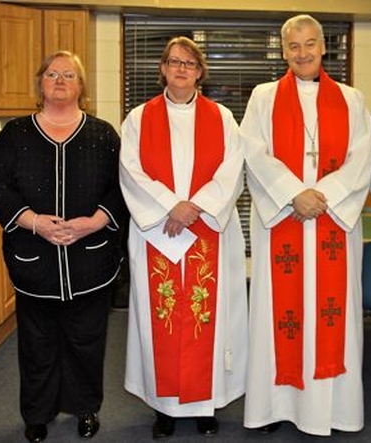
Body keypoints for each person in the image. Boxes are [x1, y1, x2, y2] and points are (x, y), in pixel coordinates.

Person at [240, 14, 371, 436]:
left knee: (332, 314)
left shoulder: (352, 99)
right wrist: (292, 194)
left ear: (323, 47)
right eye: (294, 46)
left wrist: (321, 197)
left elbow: (362, 159)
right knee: (278, 315)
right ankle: (273, 408)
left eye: (310, 44)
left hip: (331, 223)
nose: (302, 53)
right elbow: (253, 154)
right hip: (284, 220)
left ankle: (335, 410)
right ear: (283, 51)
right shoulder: (263, 97)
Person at [0, 51, 125, 443]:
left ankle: (85, 409)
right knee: (37, 342)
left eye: (69, 74)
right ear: (40, 83)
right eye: (51, 74)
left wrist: (94, 222)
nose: (60, 80)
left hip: (90, 258)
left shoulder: (102, 134)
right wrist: (34, 222)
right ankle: (37, 413)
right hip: (35, 259)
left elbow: (121, 189)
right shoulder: (16, 134)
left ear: (81, 86)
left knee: (87, 340)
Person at [120, 36, 247, 439]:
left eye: (189, 64)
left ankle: (206, 405)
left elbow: (232, 171)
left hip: (207, 230)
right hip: (158, 233)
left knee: (209, 318)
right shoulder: (139, 118)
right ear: (162, 68)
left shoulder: (222, 117)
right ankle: (165, 408)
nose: (181, 70)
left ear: (199, 72)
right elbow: (131, 171)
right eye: (174, 62)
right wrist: (170, 206)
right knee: (162, 317)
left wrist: (195, 207)